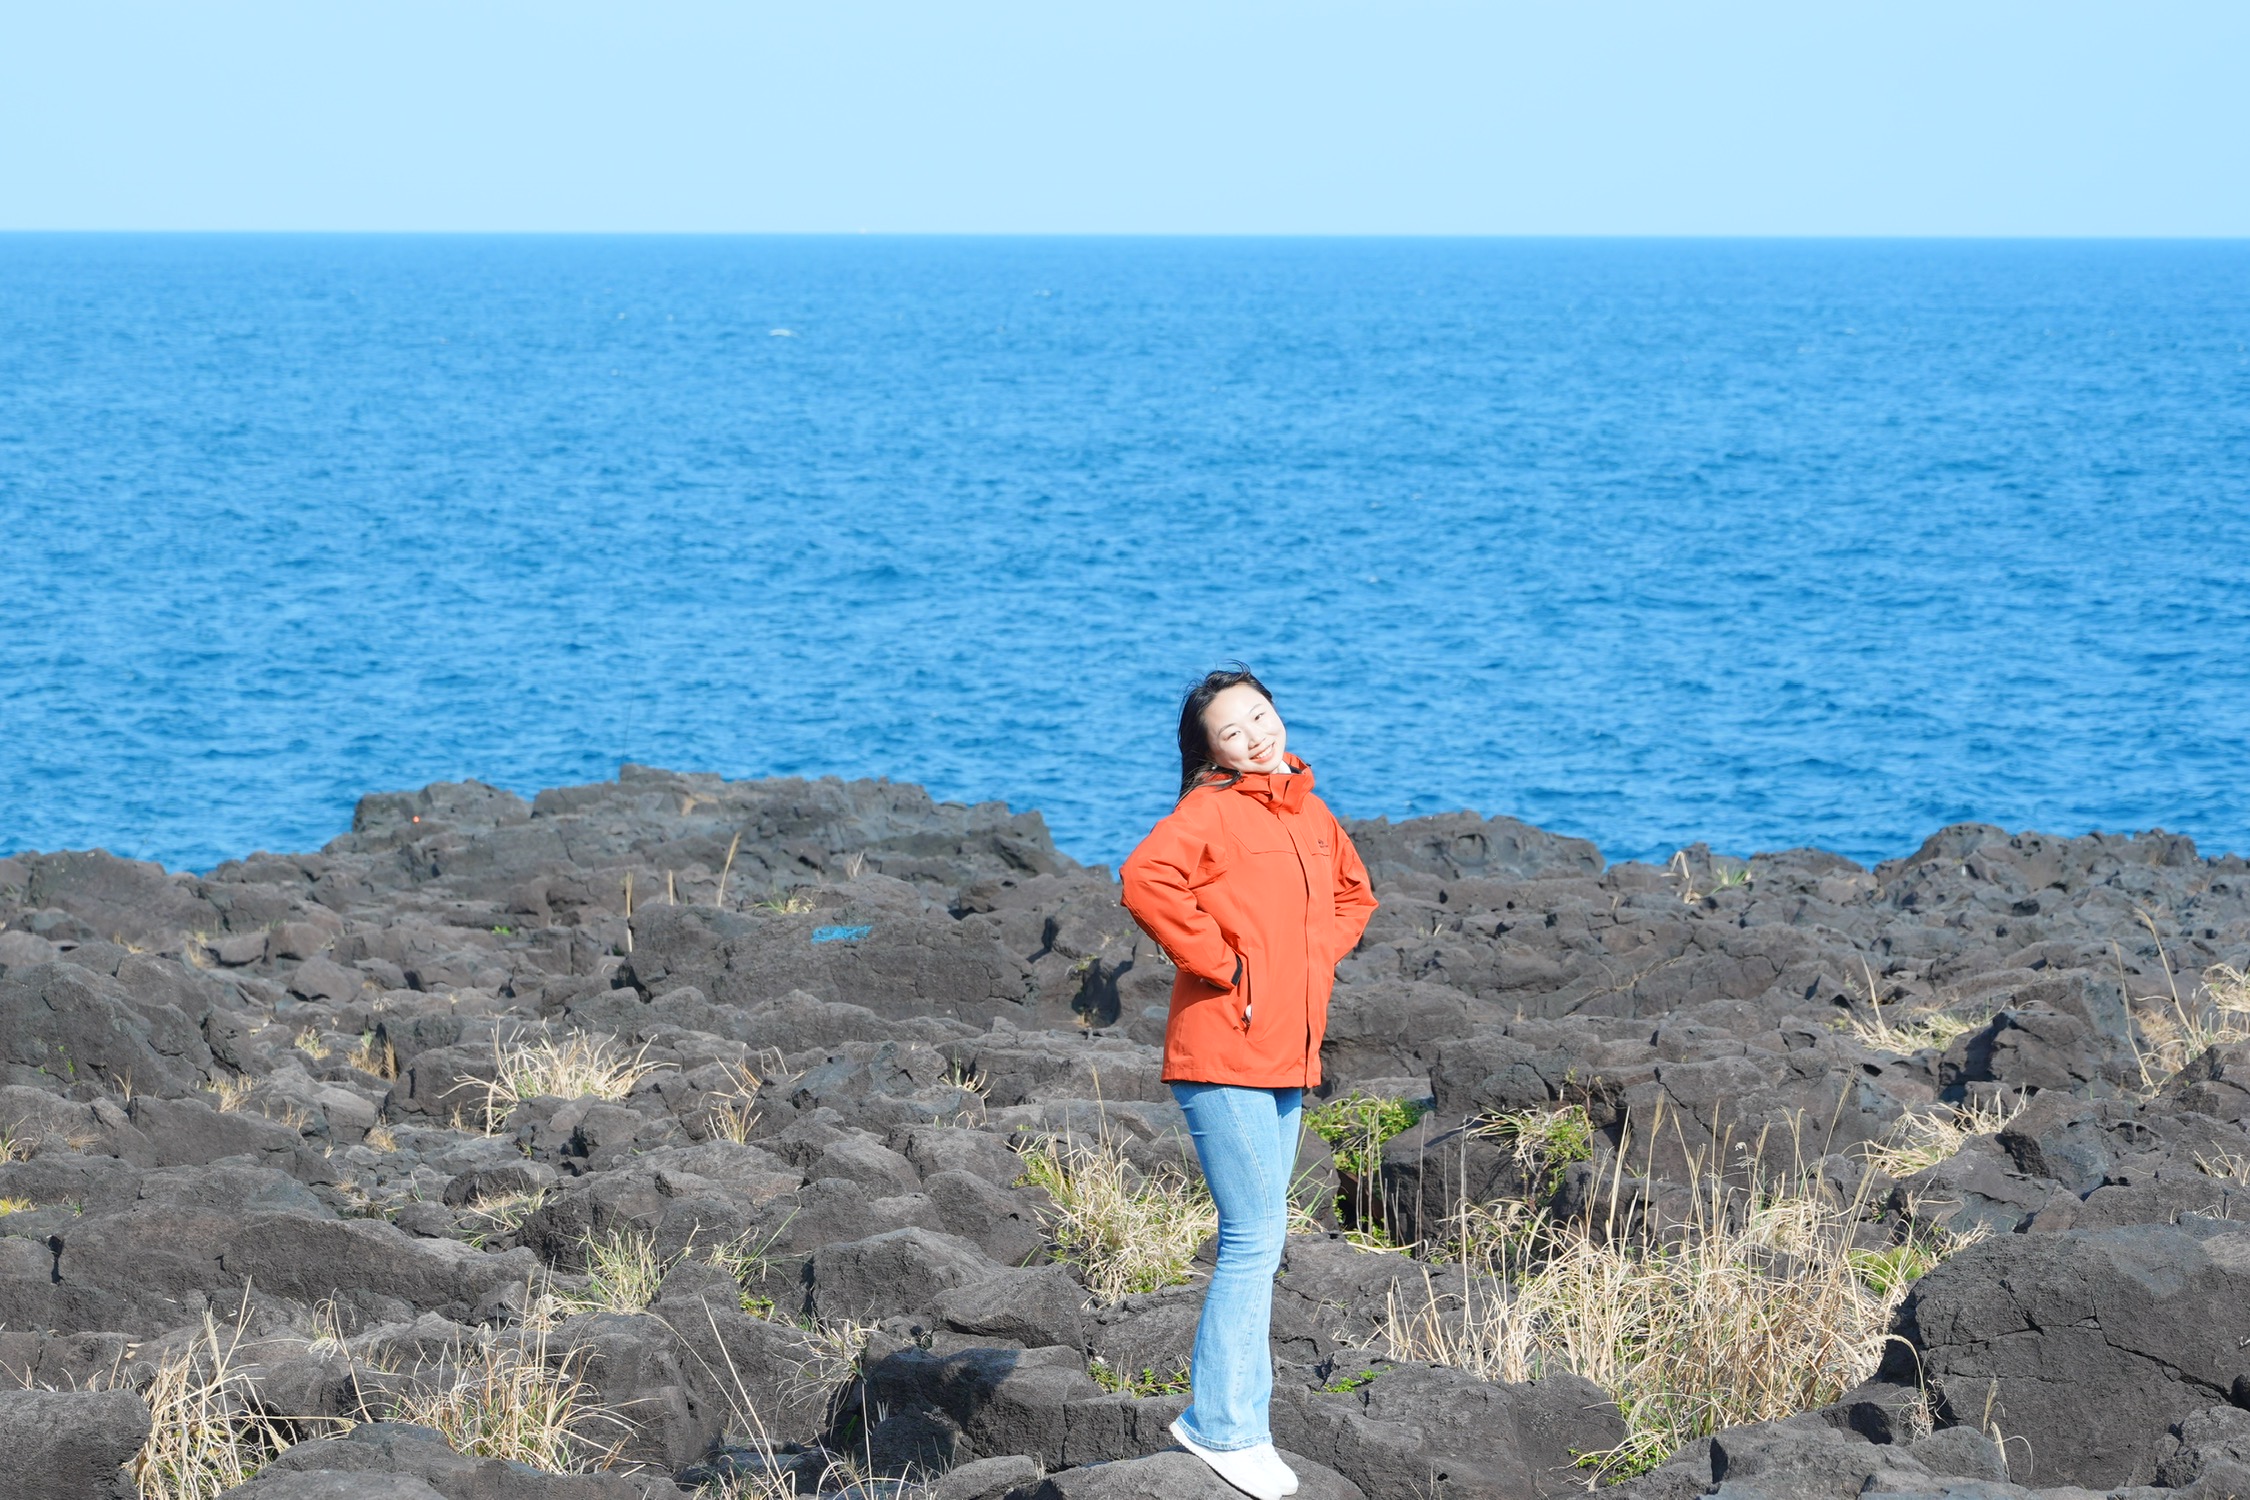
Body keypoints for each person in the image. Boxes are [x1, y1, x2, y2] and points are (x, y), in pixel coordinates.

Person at [1119, 667, 1379, 1500]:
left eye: (1260, 717)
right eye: (1233, 731)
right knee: (1253, 1237)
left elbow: (1355, 894)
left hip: (1286, 1055)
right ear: (1212, 752)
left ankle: (1239, 1423)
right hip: (1220, 1051)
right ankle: (1223, 1426)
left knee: (1263, 1238)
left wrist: (1306, 961)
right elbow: (1145, 878)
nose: (1255, 736)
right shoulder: (1211, 810)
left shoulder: (1309, 811)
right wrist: (1226, 964)